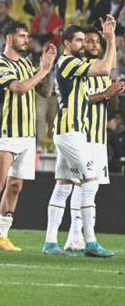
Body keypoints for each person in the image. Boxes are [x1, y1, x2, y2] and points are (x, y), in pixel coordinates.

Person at [0, 21, 57, 252]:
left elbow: (46, 92)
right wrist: (42, 70)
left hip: (28, 136)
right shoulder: (0, 63)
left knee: (15, 186)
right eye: (21, 36)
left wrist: (48, 67)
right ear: (9, 38)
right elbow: (18, 88)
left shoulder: (27, 63)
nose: (26, 40)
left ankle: (2, 237)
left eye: (27, 36)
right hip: (7, 132)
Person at [43, 20, 118, 257]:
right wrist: (111, 40)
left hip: (70, 131)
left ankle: (50, 242)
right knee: (90, 182)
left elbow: (107, 66)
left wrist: (110, 41)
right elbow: (105, 69)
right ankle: (90, 242)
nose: (83, 44)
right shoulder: (68, 62)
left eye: (84, 40)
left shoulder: (74, 66)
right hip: (70, 132)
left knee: (64, 185)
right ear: (67, 43)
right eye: (78, 40)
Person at [62, 27, 125, 252]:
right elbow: (82, 99)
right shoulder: (82, 69)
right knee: (82, 186)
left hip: (99, 138)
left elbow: (112, 106)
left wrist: (115, 92)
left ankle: (80, 237)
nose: (93, 45)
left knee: (91, 188)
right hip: (83, 135)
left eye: (97, 41)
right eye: (88, 41)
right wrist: (107, 93)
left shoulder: (103, 71)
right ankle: (75, 237)